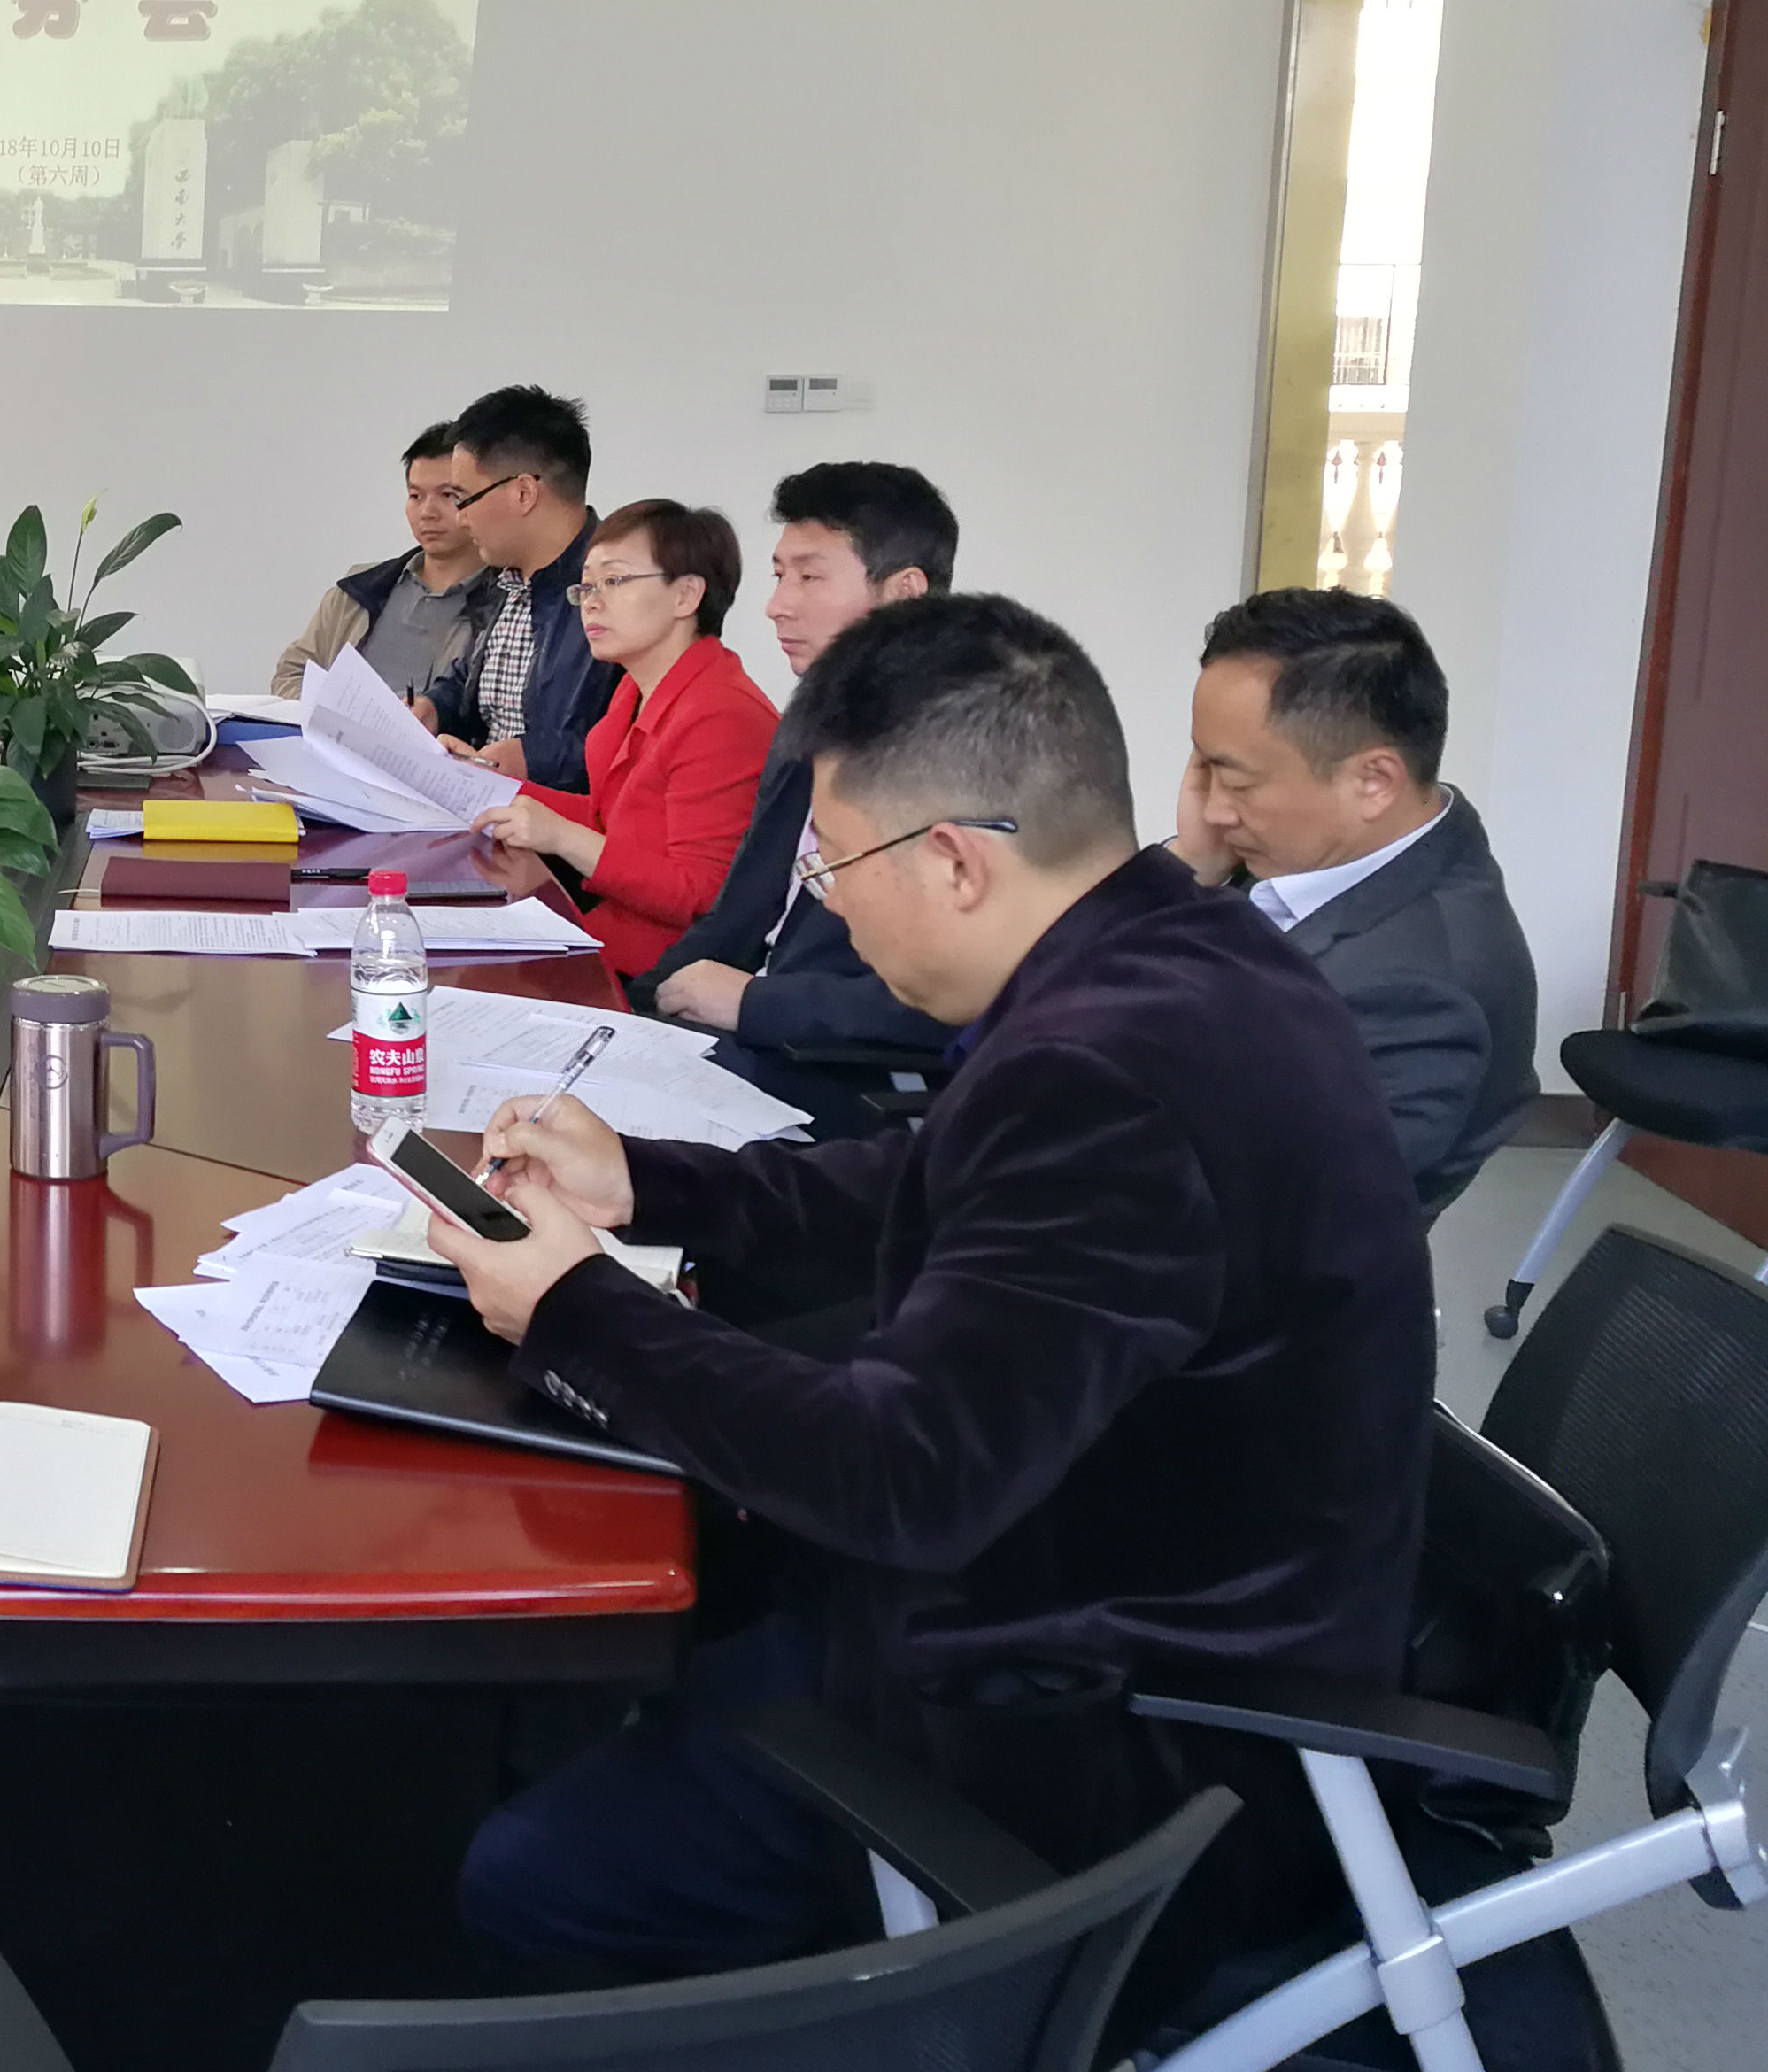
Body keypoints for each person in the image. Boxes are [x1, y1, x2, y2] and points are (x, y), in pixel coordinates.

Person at [426, 595, 1431, 2024]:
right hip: (1100, 1561)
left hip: (1115, 1728)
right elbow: (926, 1178)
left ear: (955, 859)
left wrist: (574, 1309)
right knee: (623, 1623)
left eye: (833, 862)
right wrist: (644, 1183)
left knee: (537, 1872)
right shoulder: (1170, 952)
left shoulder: (1103, 1072)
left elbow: (906, 1476)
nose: (825, 901)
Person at [1171, 588, 1538, 1212]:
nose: (1213, 809)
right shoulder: (1312, 854)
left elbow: (1243, 1205)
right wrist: (1188, 868)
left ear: (1373, 782)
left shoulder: (1420, 996)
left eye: (1235, 781)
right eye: (1203, 770)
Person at [635, 464, 961, 1118]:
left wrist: (755, 1002)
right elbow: (741, 914)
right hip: (757, 1046)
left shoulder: (963, 752)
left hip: (853, 1084)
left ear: (904, 592)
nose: (777, 604)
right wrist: (630, 1009)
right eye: (780, 575)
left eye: (810, 578)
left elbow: (957, 998)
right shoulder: (814, 716)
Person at [481, 500, 776, 973]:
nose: (592, 602)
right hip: (611, 936)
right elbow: (612, 819)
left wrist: (562, 837)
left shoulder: (722, 713)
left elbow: (700, 895)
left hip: (665, 972)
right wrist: (480, 783)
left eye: (614, 581)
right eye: (587, 586)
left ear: (686, 596)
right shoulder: (636, 690)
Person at [422, 386, 620, 792]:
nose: (460, 519)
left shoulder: (614, 590)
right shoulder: (505, 578)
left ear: (524, 493)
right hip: (485, 805)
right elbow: (475, 681)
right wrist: (435, 707)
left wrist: (532, 761)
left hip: (558, 821)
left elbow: (637, 745)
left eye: (463, 498)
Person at [270, 422, 498, 703]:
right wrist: (330, 712)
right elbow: (292, 673)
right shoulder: (359, 590)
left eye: (448, 495)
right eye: (415, 496)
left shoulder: (507, 604)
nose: (427, 512)